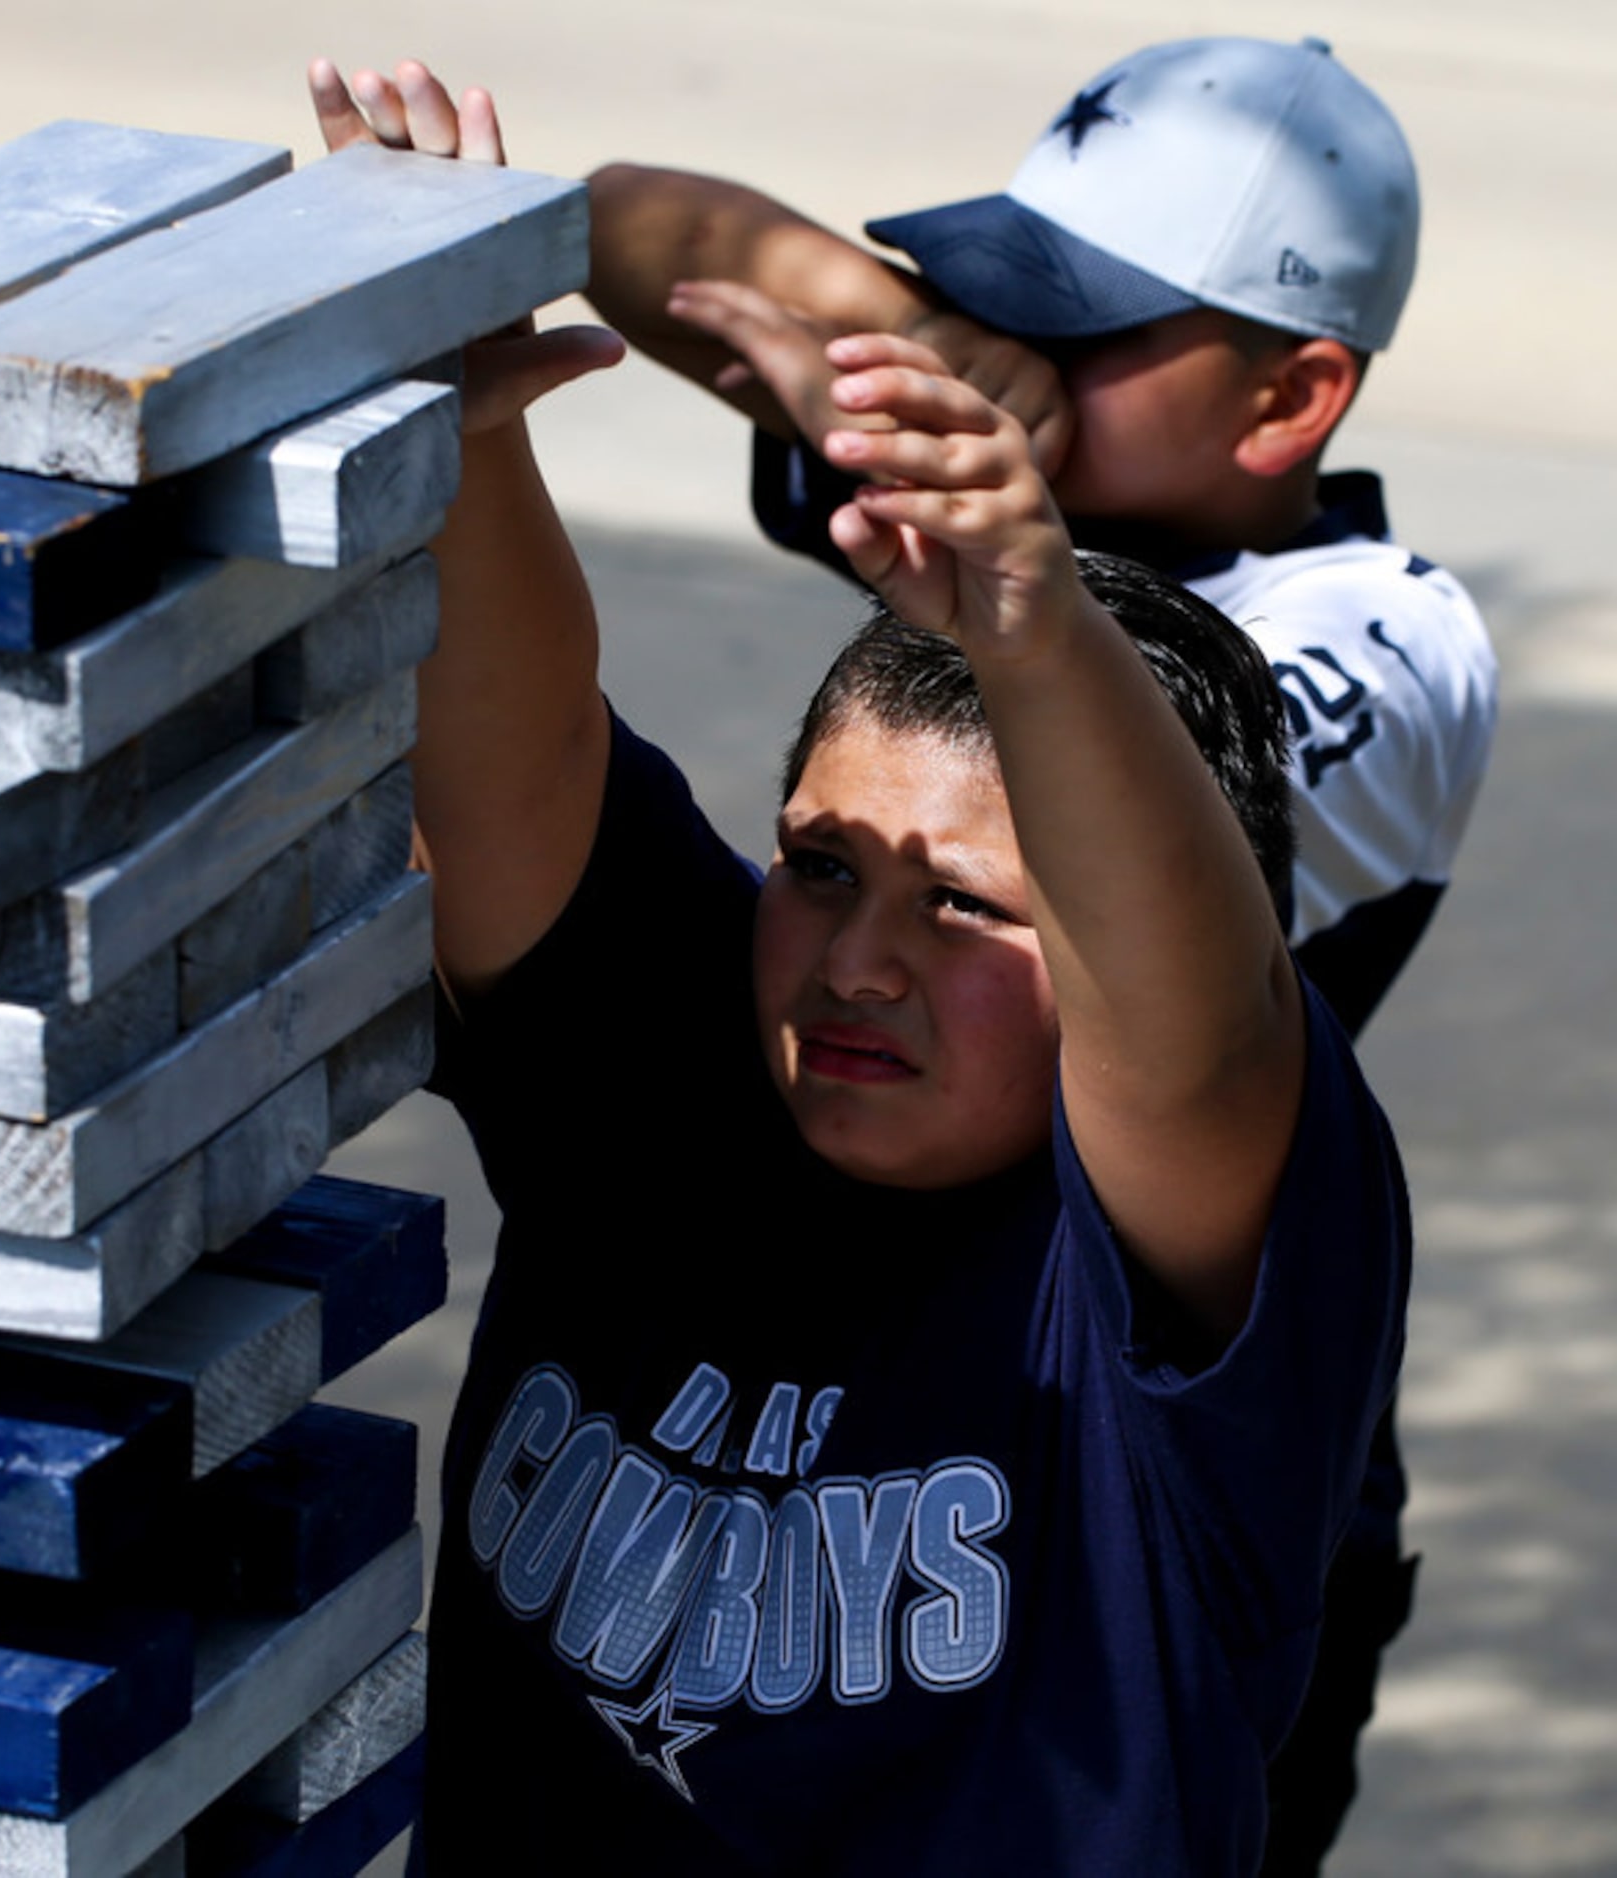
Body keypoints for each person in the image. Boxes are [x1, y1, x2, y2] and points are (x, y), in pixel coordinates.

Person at [308, 60, 1409, 1874]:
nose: (860, 960)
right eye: (817, 866)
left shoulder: (1165, 1295)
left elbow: (1200, 1028)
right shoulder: (683, 1078)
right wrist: (463, 425)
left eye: (969, 908)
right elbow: (524, 767)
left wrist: (1036, 622)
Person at [587, 39, 1488, 1863]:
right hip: (927, 1387)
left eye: (1080, 330)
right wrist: (881, 328)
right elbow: (617, 230)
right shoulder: (1005, 506)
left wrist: (1004, 532)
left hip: (1188, 1437)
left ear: (1291, 392)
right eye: (1001, 296)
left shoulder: (1385, 640)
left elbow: (1142, 860)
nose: (1018, 360)